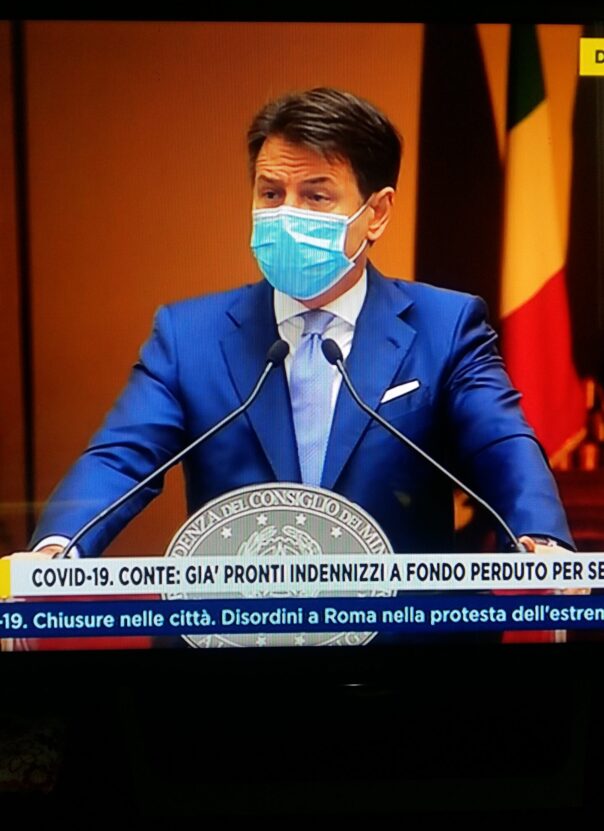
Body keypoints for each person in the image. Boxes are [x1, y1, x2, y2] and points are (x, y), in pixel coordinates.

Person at [21, 87, 573, 559]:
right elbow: (120, 460)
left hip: (397, 639)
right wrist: (57, 548)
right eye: (271, 193)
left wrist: (540, 537)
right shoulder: (189, 336)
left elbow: (501, 446)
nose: (287, 214)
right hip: (233, 635)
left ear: (377, 213)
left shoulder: (444, 326)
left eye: (315, 196)